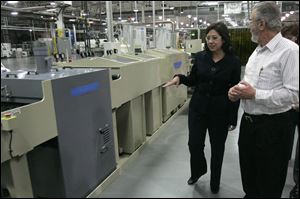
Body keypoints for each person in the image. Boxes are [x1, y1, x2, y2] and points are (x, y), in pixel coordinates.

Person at [228, 2, 299, 198]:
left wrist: (255, 94)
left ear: (261, 24)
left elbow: (294, 94)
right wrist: (238, 90)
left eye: (250, 21)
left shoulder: (289, 51)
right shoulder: (257, 51)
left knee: (269, 184)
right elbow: (251, 83)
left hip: (273, 129)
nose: (248, 25)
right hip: (249, 125)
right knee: (250, 181)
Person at [164, 22, 241, 193]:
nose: (211, 41)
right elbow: (193, 80)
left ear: (223, 39)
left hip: (220, 110)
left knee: (218, 148)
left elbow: (235, 92)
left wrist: (232, 117)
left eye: (215, 38)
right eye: (208, 38)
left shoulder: (233, 62)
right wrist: (179, 78)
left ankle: (215, 181)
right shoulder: (200, 57)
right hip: (198, 108)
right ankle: (198, 171)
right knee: (194, 144)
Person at [281, 23, 299, 199]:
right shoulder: (286, 54)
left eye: (290, 37)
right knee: (286, 135)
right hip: (290, 106)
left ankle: (298, 183)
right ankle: (282, 159)